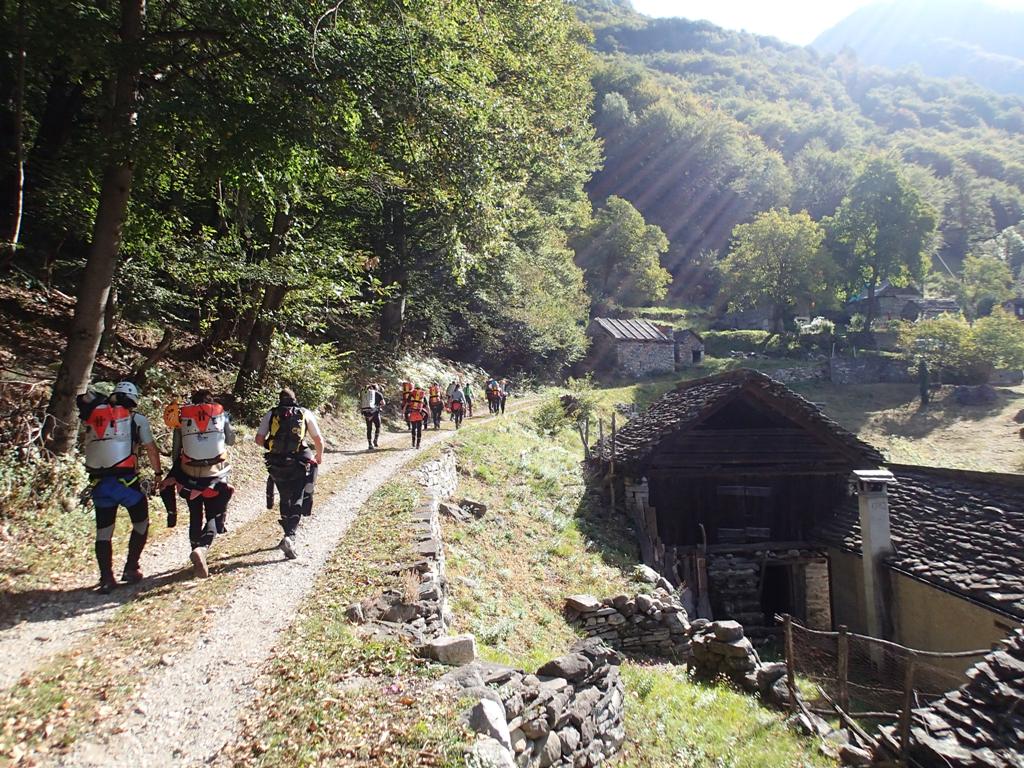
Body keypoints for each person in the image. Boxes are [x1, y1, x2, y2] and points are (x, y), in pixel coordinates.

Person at [77, 381, 162, 593]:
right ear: (133, 399)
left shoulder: (94, 415)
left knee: (103, 532)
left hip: (99, 484)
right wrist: (158, 473)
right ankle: (131, 568)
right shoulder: (137, 419)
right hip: (126, 483)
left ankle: (106, 578)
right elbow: (151, 448)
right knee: (141, 523)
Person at [164, 389, 235, 579]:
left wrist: (177, 473)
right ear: (211, 401)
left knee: (195, 514)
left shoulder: (183, 417)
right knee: (214, 513)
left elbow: (176, 451)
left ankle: (195, 552)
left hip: (189, 475)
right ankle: (202, 549)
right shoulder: (220, 414)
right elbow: (231, 440)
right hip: (214, 474)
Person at [255, 388, 324, 560]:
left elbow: (258, 439)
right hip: (298, 460)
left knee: (285, 496)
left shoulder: (271, 413)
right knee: (298, 496)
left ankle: (287, 532)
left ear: (280, 399)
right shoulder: (304, 413)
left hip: (276, 461)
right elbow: (318, 439)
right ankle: (290, 535)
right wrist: (319, 456)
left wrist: (271, 446)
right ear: (295, 399)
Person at [361, 383, 385, 450]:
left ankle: (370, 444)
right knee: (378, 427)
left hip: (367, 413)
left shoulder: (366, 394)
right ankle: (375, 440)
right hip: (375, 413)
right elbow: (383, 403)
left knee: (369, 429)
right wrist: (378, 406)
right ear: (376, 388)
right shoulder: (378, 394)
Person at [405, 383, 428, 449]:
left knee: (413, 428)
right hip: (419, 414)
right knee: (419, 429)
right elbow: (426, 405)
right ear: (420, 388)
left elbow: (407, 403)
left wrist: (404, 411)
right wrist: (428, 413)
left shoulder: (411, 394)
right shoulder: (422, 394)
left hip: (412, 413)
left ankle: (413, 442)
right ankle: (418, 444)